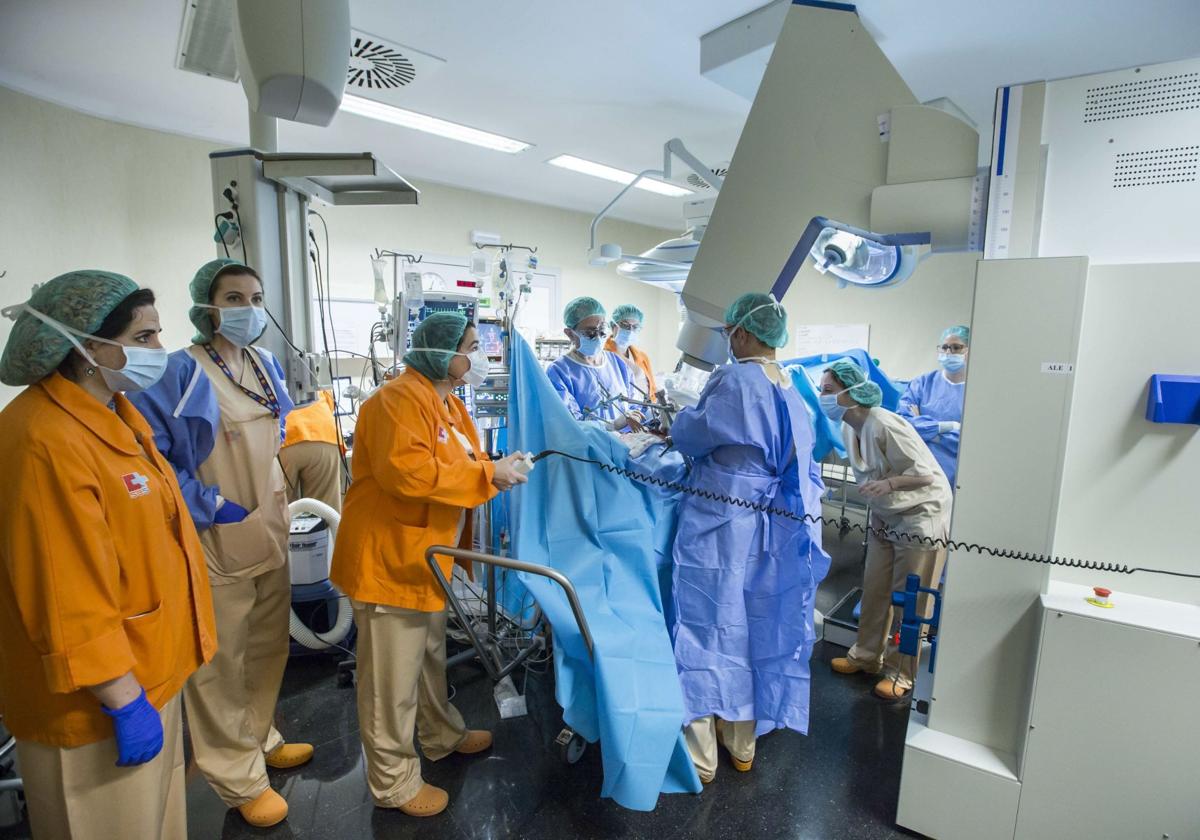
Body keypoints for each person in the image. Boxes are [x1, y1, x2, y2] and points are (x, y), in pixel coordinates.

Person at [0, 271, 216, 839]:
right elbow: (62, 586)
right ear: (88, 345)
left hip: (149, 671)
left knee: (157, 824)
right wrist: (122, 700)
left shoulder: (115, 413)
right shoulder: (43, 438)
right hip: (95, 703)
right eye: (143, 338)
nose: (158, 352)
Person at [130, 258, 310, 828]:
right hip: (217, 532)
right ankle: (237, 777)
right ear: (206, 306)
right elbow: (153, 463)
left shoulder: (264, 363)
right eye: (234, 298)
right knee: (219, 664)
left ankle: (260, 735)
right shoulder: (176, 372)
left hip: (268, 522)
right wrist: (214, 507)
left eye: (254, 297)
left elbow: (276, 433)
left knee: (266, 646)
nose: (248, 309)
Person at [330, 312, 529, 818]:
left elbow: (465, 462)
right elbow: (410, 475)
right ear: (441, 354)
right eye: (469, 346)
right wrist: (490, 474)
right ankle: (393, 783)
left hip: (426, 560)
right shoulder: (395, 400)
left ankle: (440, 734)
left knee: (428, 659)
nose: (477, 356)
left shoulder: (448, 405)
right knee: (389, 682)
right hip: (388, 558)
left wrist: (498, 468)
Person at [669, 293, 830, 784]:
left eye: (728, 333)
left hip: (720, 520)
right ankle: (741, 744)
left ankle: (701, 758)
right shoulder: (791, 384)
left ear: (740, 332)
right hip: (772, 525)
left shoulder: (735, 378)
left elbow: (694, 435)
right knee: (751, 629)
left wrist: (676, 417)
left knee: (705, 628)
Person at [820, 359, 952, 701]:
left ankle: (901, 673)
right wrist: (878, 511)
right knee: (875, 586)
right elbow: (868, 477)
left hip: (921, 514)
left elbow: (924, 475)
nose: (823, 397)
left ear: (852, 393)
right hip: (887, 516)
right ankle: (865, 656)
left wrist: (889, 485)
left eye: (828, 391)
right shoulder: (851, 427)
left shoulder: (885, 424)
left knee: (911, 598)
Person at [547, 296, 642, 430]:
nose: (598, 337)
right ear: (570, 334)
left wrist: (636, 415)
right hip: (588, 448)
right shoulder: (559, 371)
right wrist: (612, 425)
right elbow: (568, 424)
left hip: (627, 445)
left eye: (602, 330)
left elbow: (635, 403)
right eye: (590, 332)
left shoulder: (617, 363)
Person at [898, 325, 969, 489]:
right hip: (919, 467)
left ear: (969, 351)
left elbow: (971, 440)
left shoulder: (976, 392)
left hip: (957, 472)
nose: (949, 352)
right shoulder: (922, 384)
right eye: (944, 347)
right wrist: (950, 426)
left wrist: (925, 427)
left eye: (956, 347)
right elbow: (904, 424)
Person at [279, 388, 345, 512]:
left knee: (282, 511)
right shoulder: (314, 375)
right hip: (323, 434)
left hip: (285, 439)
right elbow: (330, 402)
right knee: (325, 510)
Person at [604, 303, 657, 400]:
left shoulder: (642, 357)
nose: (630, 331)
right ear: (613, 326)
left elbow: (652, 388)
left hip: (646, 409)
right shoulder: (603, 355)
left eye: (635, 327)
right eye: (625, 325)